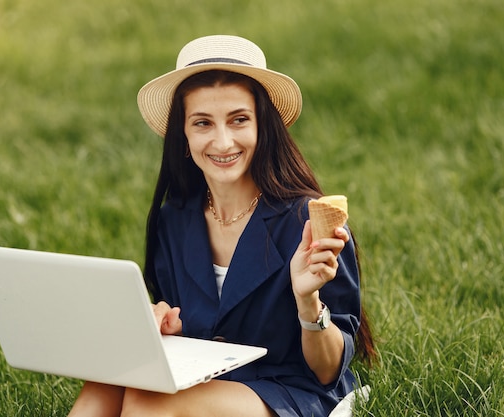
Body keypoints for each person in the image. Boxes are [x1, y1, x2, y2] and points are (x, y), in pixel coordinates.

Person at [68, 34, 375, 417]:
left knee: (148, 402)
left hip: (288, 389)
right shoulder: (173, 220)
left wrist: (307, 301)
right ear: (183, 135)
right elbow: (186, 333)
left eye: (239, 120)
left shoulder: (306, 222)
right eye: (202, 123)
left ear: (263, 126)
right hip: (207, 379)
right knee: (107, 381)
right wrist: (163, 323)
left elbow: (328, 370)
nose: (223, 141)